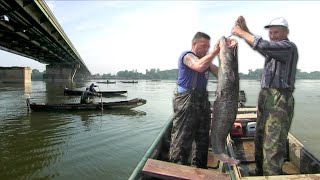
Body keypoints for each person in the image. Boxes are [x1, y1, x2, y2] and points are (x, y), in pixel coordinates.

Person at [231, 16, 298, 175]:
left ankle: (272, 175)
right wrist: (246, 30)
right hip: (266, 97)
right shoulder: (273, 49)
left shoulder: (287, 47)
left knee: (273, 143)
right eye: (271, 32)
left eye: (276, 32)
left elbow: (261, 44)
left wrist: (240, 32)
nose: (272, 35)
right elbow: (258, 45)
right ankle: (260, 172)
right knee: (260, 136)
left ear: (286, 32)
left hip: (279, 99)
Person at [169, 31, 220, 169]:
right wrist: (215, 52)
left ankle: (199, 170)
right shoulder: (187, 56)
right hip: (186, 101)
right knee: (182, 139)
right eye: (203, 46)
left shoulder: (206, 61)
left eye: (208, 47)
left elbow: (222, 73)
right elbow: (198, 66)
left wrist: (227, 53)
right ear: (194, 44)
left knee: (202, 139)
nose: (206, 49)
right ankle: (176, 172)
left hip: (202, 101)